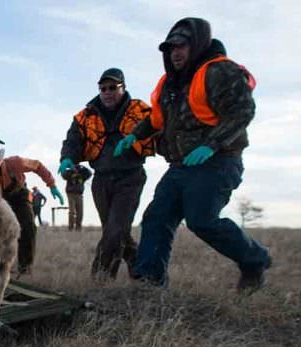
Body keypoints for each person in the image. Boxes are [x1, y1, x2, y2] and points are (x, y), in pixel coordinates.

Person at [115, 17, 271, 291]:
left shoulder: (221, 71)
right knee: (157, 217)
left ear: (198, 44)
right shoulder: (170, 84)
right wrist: (133, 136)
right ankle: (150, 282)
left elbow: (242, 111)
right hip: (181, 165)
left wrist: (211, 144)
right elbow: (157, 119)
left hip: (219, 162)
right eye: (170, 47)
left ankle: (254, 260)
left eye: (182, 45)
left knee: (202, 220)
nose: (175, 52)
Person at [59, 68, 154, 280]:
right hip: (101, 179)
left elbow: (158, 127)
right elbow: (72, 141)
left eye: (113, 87)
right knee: (116, 231)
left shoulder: (140, 110)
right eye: (103, 88)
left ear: (123, 87)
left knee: (115, 230)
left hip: (131, 177)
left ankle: (100, 280)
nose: (107, 92)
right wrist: (67, 157)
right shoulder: (86, 115)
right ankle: (141, 273)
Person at [0, 152, 64, 274]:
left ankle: (25, 267)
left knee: (28, 227)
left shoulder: (16, 162)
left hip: (20, 195)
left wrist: (51, 184)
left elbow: (37, 166)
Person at [61, 164, 92, 231]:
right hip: (70, 194)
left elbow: (90, 174)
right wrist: (71, 170)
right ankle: (70, 228)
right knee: (72, 211)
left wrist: (83, 168)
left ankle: (78, 228)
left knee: (80, 212)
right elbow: (63, 175)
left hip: (79, 194)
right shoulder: (70, 172)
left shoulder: (82, 173)